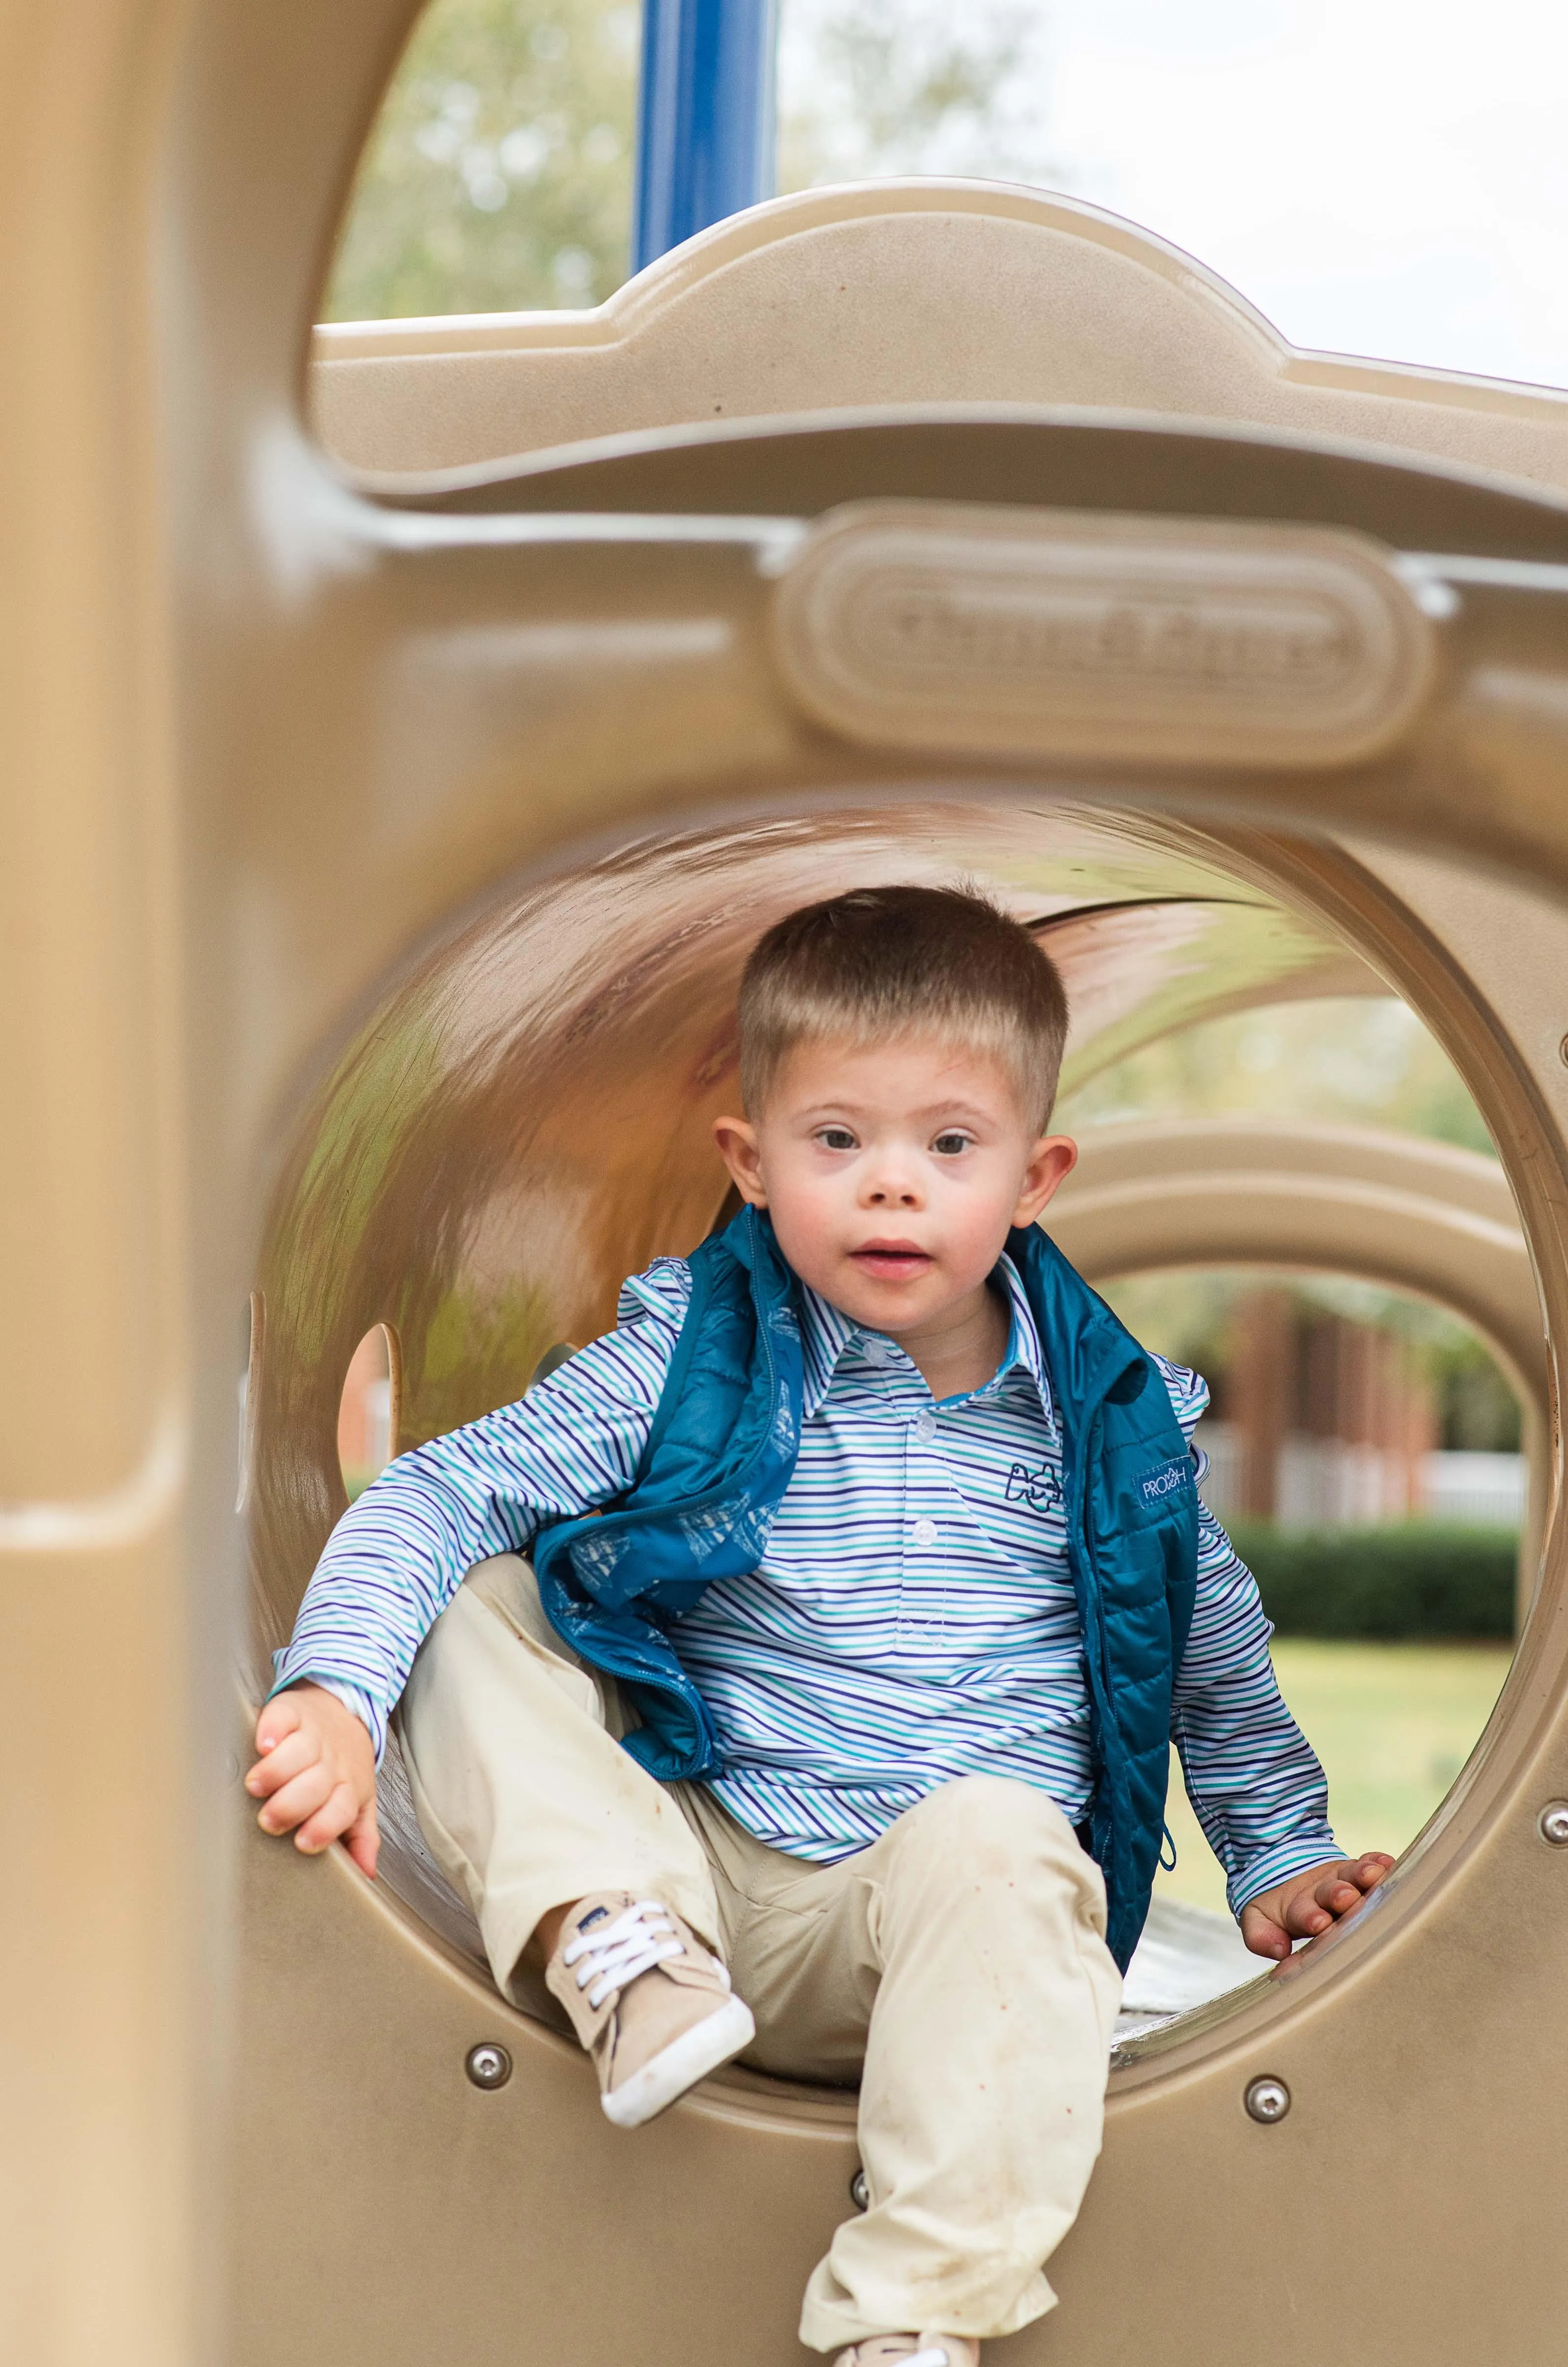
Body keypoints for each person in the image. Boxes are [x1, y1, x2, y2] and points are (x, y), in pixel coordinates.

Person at [249, 884, 1391, 2367]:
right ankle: (620, 1951)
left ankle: (907, 2322)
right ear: (750, 1160)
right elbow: (438, 1491)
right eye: (837, 1141)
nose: (891, 1188)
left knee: (997, 1832)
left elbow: (1205, 1648)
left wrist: (1279, 1852)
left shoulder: (1115, 1436)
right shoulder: (690, 1358)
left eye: (949, 1146)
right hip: (706, 1879)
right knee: (485, 1602)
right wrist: (336, 1687)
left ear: (1034, 1176)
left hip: (943, 1942)